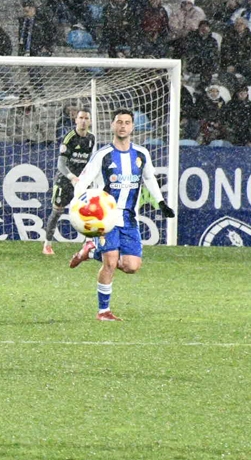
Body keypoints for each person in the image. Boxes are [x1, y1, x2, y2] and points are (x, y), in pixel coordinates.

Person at [68, 109, 174, 321]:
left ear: (132, 127)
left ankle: (89, 252)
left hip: (129, 217)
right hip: (105, 218)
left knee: (131, 266)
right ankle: (103, 311)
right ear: (112, 126)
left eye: (127, 122)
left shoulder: (141, 154)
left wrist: (161, 202)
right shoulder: (103, 155)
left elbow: (150, 179)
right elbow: (85, 180)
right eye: (119, 122)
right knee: (110, 262)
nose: (123, 126)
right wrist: (78, 206)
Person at [45, 108, 95, 256]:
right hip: (65, 180)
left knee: (88, 211)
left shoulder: (91, 139)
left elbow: (90, 162)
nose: (84, 121)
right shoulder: (69, 138)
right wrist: (71, 177)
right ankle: (47, 244)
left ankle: (87, 243)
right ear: (76, 120)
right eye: (81, 118)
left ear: (90, 121)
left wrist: (87, 179)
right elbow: (61, 164)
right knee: (57, 211)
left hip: (82, 182)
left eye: (86, 118)